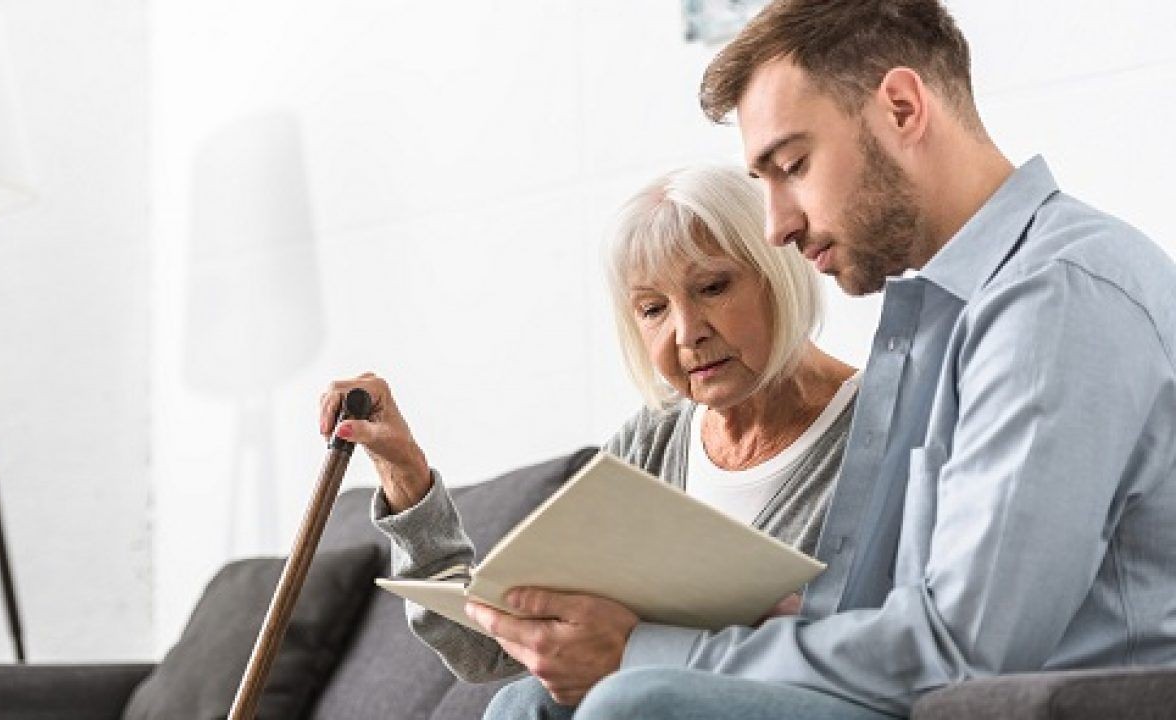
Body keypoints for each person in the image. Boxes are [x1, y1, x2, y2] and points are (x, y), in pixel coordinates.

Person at [469, 1, 1176, 719]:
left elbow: (963, 650)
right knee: (527, 704)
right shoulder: (940, 314)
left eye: (793, 166)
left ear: (901, 109)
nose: (777, 225)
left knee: (638, 701)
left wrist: (647, 650)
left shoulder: (1055, 300)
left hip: (1030, 704)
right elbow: (899, 611)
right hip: (928, 688)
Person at [318, 165, 859, 701]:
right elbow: (488, 650)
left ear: (779, 271)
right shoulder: (655, 440)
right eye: (653, 309)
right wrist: (404, 474)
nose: (688, 332)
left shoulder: (877, 428)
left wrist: (639, 650)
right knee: (520, 699)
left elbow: (874, 654)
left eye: (713, 287)